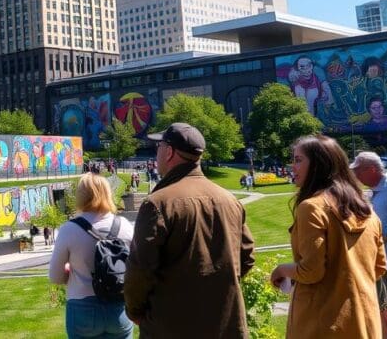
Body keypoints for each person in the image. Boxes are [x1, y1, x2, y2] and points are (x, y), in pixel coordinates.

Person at [124, 123, 255, 338]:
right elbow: (247, 257)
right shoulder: (229, 200)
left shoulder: (158, 203)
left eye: (158, 147)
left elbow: (140, 269)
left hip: (171, 325)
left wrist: (135, 311)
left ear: (169, 152)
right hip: (225, 323)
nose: (156, 154)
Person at [270, 135, 387, 338]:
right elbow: (379, 267)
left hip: (321, 325)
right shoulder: (366, 209)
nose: (292, 166)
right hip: (364, 321)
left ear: (318, 165)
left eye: (298, 160)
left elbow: (311, 271)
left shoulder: (312, 207)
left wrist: (281, 270)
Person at [49, 172, 134, 339]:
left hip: (82, 307)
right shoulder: (125, 225)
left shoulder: (69, 229)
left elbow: (55, 277)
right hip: (118, 306)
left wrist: (70, 270)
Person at [351, 151, 387, 310]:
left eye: (358, 171)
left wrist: (377, 236)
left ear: (371, 169)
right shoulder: (377, 190)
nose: (355, 175)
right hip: (383, 265)